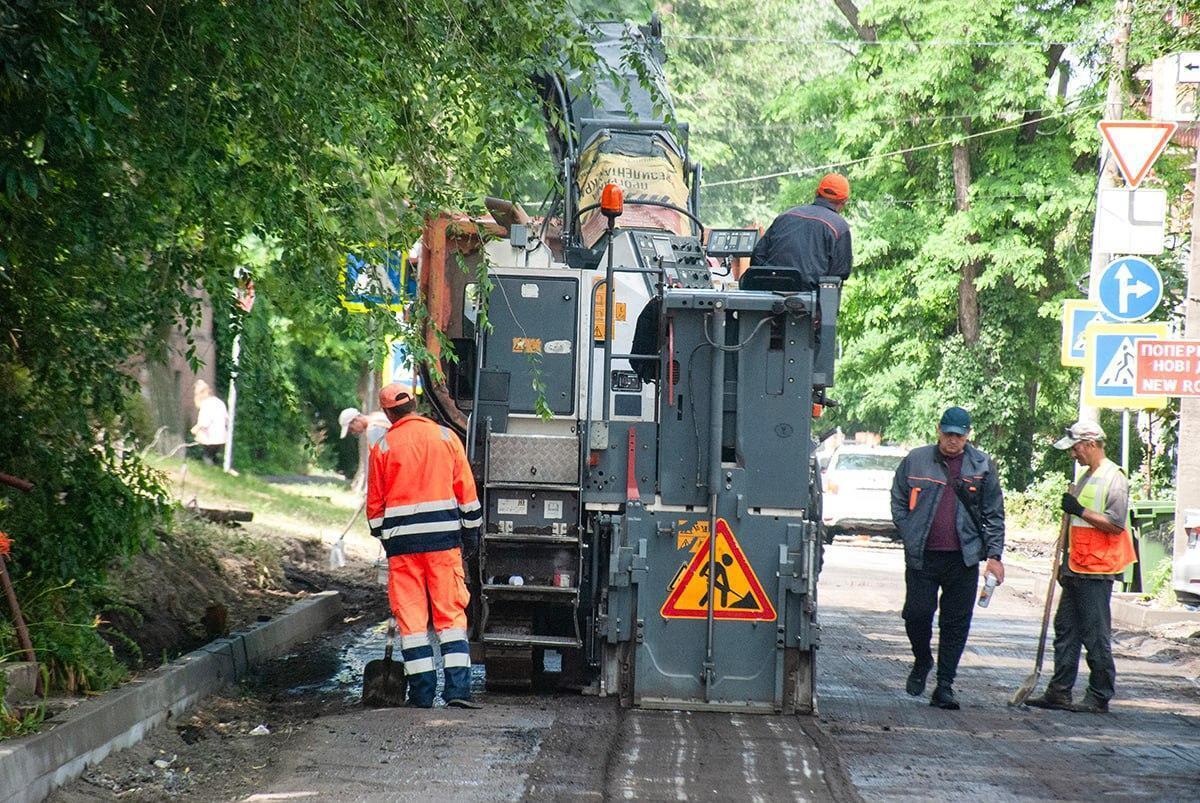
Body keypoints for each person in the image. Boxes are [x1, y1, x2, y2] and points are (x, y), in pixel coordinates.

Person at [367, 382, 483, 709]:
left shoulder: (384, 447)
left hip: (403, 549)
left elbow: (375, 508)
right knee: (449, 616)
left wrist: (384, 537)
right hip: (443, 544)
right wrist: (471, 532)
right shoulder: (446, 438)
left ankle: (421, 694)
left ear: (389, 413)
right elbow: (466, 491)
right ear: (415, 404)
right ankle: (458, 691)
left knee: (413, 623)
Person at [890, 406, 1005, 710]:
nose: (953, 440)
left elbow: (994, 513)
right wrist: (909, 530)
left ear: (968, 435)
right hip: (923, 557)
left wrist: (994, 555)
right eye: (948, 433)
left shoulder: (982, 466)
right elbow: (898, 499)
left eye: (959, 435)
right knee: (916, 614)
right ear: (938, 430)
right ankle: (922, 659)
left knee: (955, 623)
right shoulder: (916, 460)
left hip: (963, 559)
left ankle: (944, 686)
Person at [1026, 420, 1135, 714]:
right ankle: (1059, 692)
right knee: (1066, 629)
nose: (1073, 454)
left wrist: (1079, 509)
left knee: (1094, 634)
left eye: (1075, 448)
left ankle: (1099, 695)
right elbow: (1076, 527)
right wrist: (1065, 564)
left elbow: (1115, 524)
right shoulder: (1088, 475)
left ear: (1090, 444)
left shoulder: (1114, 478)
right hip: (1077, 566)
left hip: (1098, 570)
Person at [749, 173, 853, 289]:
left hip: (768, 293)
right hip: (808, 299)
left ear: (817, 193)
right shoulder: (839, 226)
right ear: (843, 201)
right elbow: (840, 273)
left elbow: (757, 257)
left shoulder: (786, 216)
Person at [190, 380, 229, 465]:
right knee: (214, 456)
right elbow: (226, 419)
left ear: (203, 393)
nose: (196, 396)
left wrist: (195, 429)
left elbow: (204, 422)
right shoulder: (219, 402)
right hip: (221, 437)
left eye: (197, 394)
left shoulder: (206, 404)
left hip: (210, 437)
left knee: (207, 457)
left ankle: (209, 472)